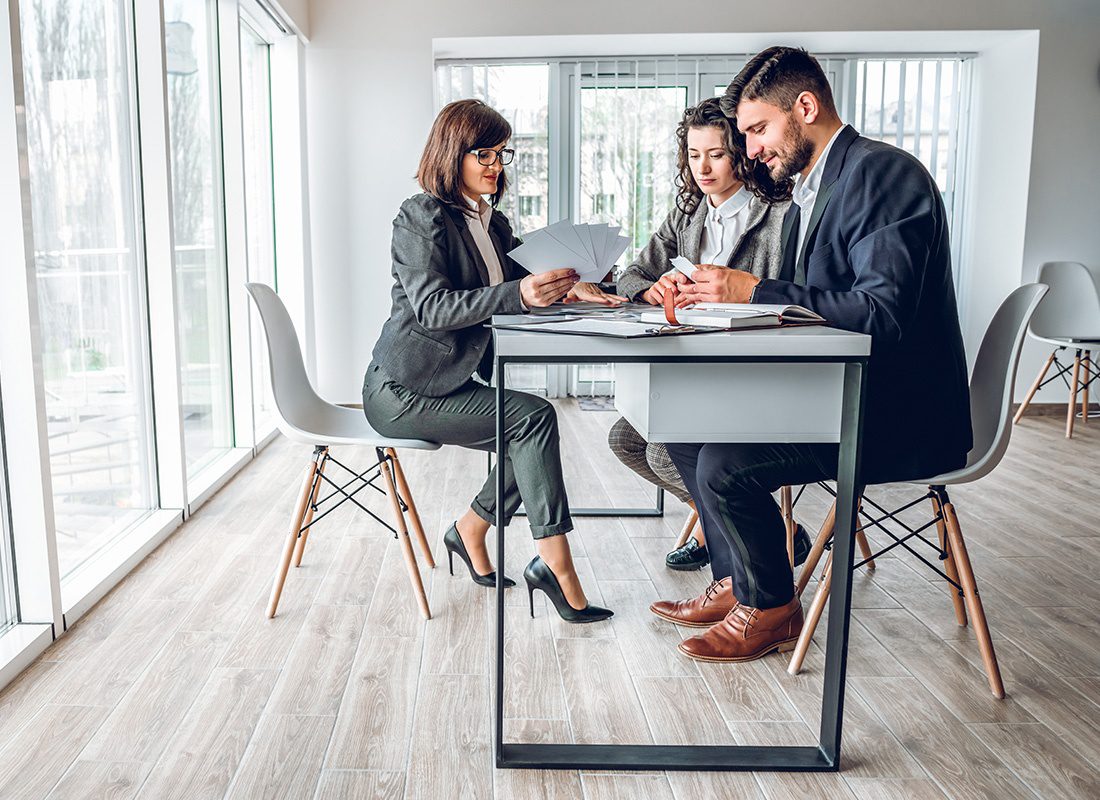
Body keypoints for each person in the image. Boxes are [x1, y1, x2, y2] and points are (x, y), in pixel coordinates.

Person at [652, 47, 972, 662]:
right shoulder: (816, 186)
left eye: (756, 130)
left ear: (805, 107)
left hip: (895, 413)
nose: (749, 151)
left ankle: (771, 609)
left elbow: (880, 314)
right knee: (685, 432)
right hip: (838, 392)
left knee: (723, 464)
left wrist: (755, 290)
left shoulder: (883, 175)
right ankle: (742, 582)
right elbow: (815, 305)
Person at [362, 99, 622, 623]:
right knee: (533, 420)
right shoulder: (421, 216)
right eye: (481, 153)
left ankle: (470, 530)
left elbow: (521, 281)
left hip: (450, 380)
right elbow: (434, 309)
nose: (494, 165)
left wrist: (572, 289)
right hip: (403, 388)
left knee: (527, 431)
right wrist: (520, 293)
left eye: (500, 154)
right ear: (450, 152)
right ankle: (557, 569)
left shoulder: (493, 224)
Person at [609, 98, 811, 572]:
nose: (703, 167)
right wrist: (653, 289)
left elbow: (795, 298)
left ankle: (731, 537)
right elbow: (633, 275)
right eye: (694, 154)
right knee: (625, 438)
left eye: (716, 154)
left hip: (750, 372)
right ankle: (755, 527)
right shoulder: (688, 213)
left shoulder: (780, 214)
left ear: (740, 152)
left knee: (662, 450)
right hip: (698, 368)